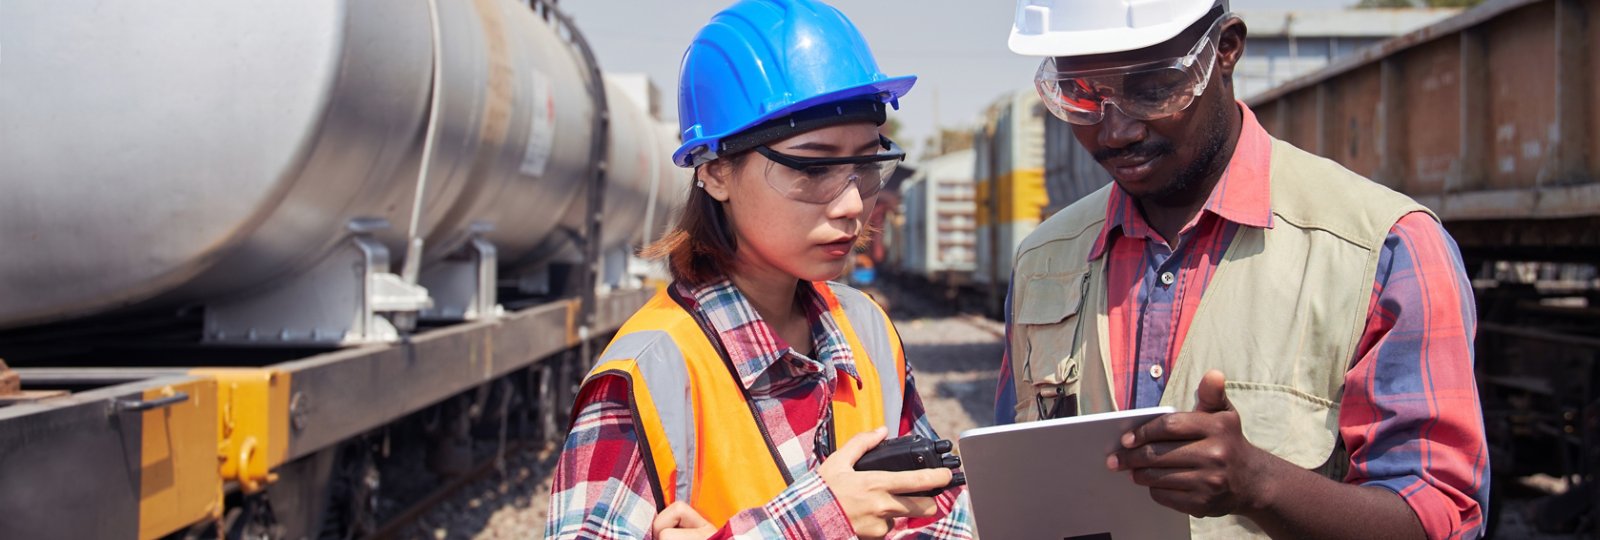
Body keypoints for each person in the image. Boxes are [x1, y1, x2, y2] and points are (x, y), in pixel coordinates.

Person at [994, 0, 1489, 538]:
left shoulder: (1384, 248)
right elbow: (1014, 478)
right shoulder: (1045, 258)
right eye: (1083, 96)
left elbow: (1439, 517)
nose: (1115, 132)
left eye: (1152, 89)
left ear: (1225, 50)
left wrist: (1261, 485)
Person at [545, 1, 974, 538]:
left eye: (865, 166)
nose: (851, 204)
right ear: (717, 172)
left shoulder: (866, 329)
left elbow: (941, 516)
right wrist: (820, 521)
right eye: (813, 167)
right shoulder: (648, 377)